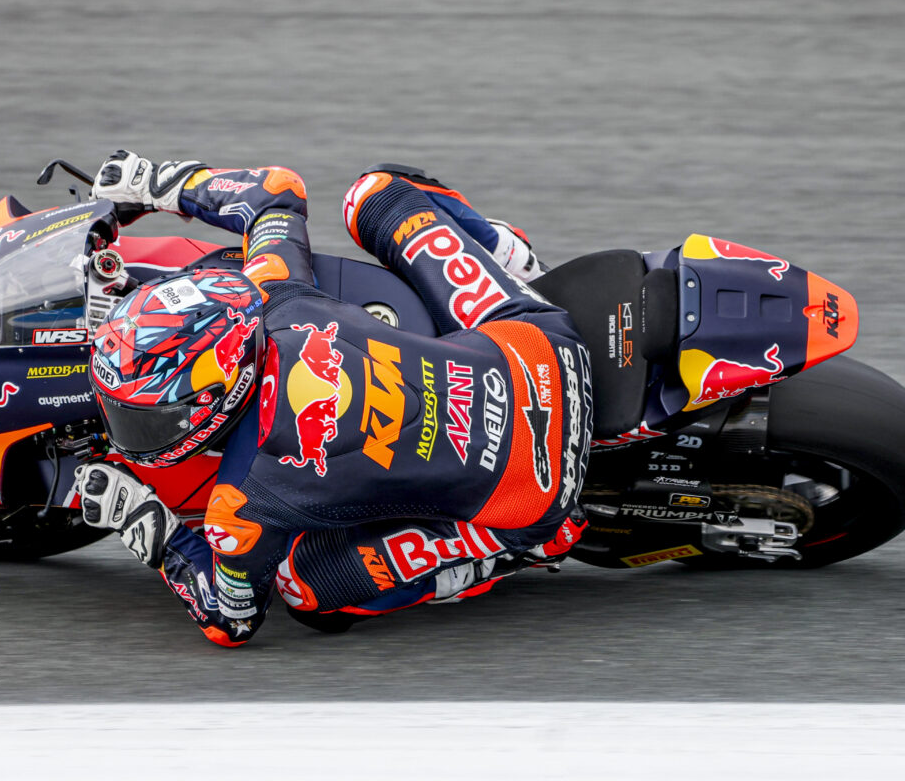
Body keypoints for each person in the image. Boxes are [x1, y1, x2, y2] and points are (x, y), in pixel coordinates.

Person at [77, 151, 593, 646]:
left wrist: (142, 520)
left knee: (303, 589)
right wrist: (157, 183)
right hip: (546, 349)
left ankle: (513, 548)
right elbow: (276, 192)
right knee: (375, 193)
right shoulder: (275, 293)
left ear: (213, 398)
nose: (132, 429)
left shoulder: (242, 504)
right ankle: (511, 259)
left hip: (537, 490)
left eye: (143, 417)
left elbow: (231, 620)